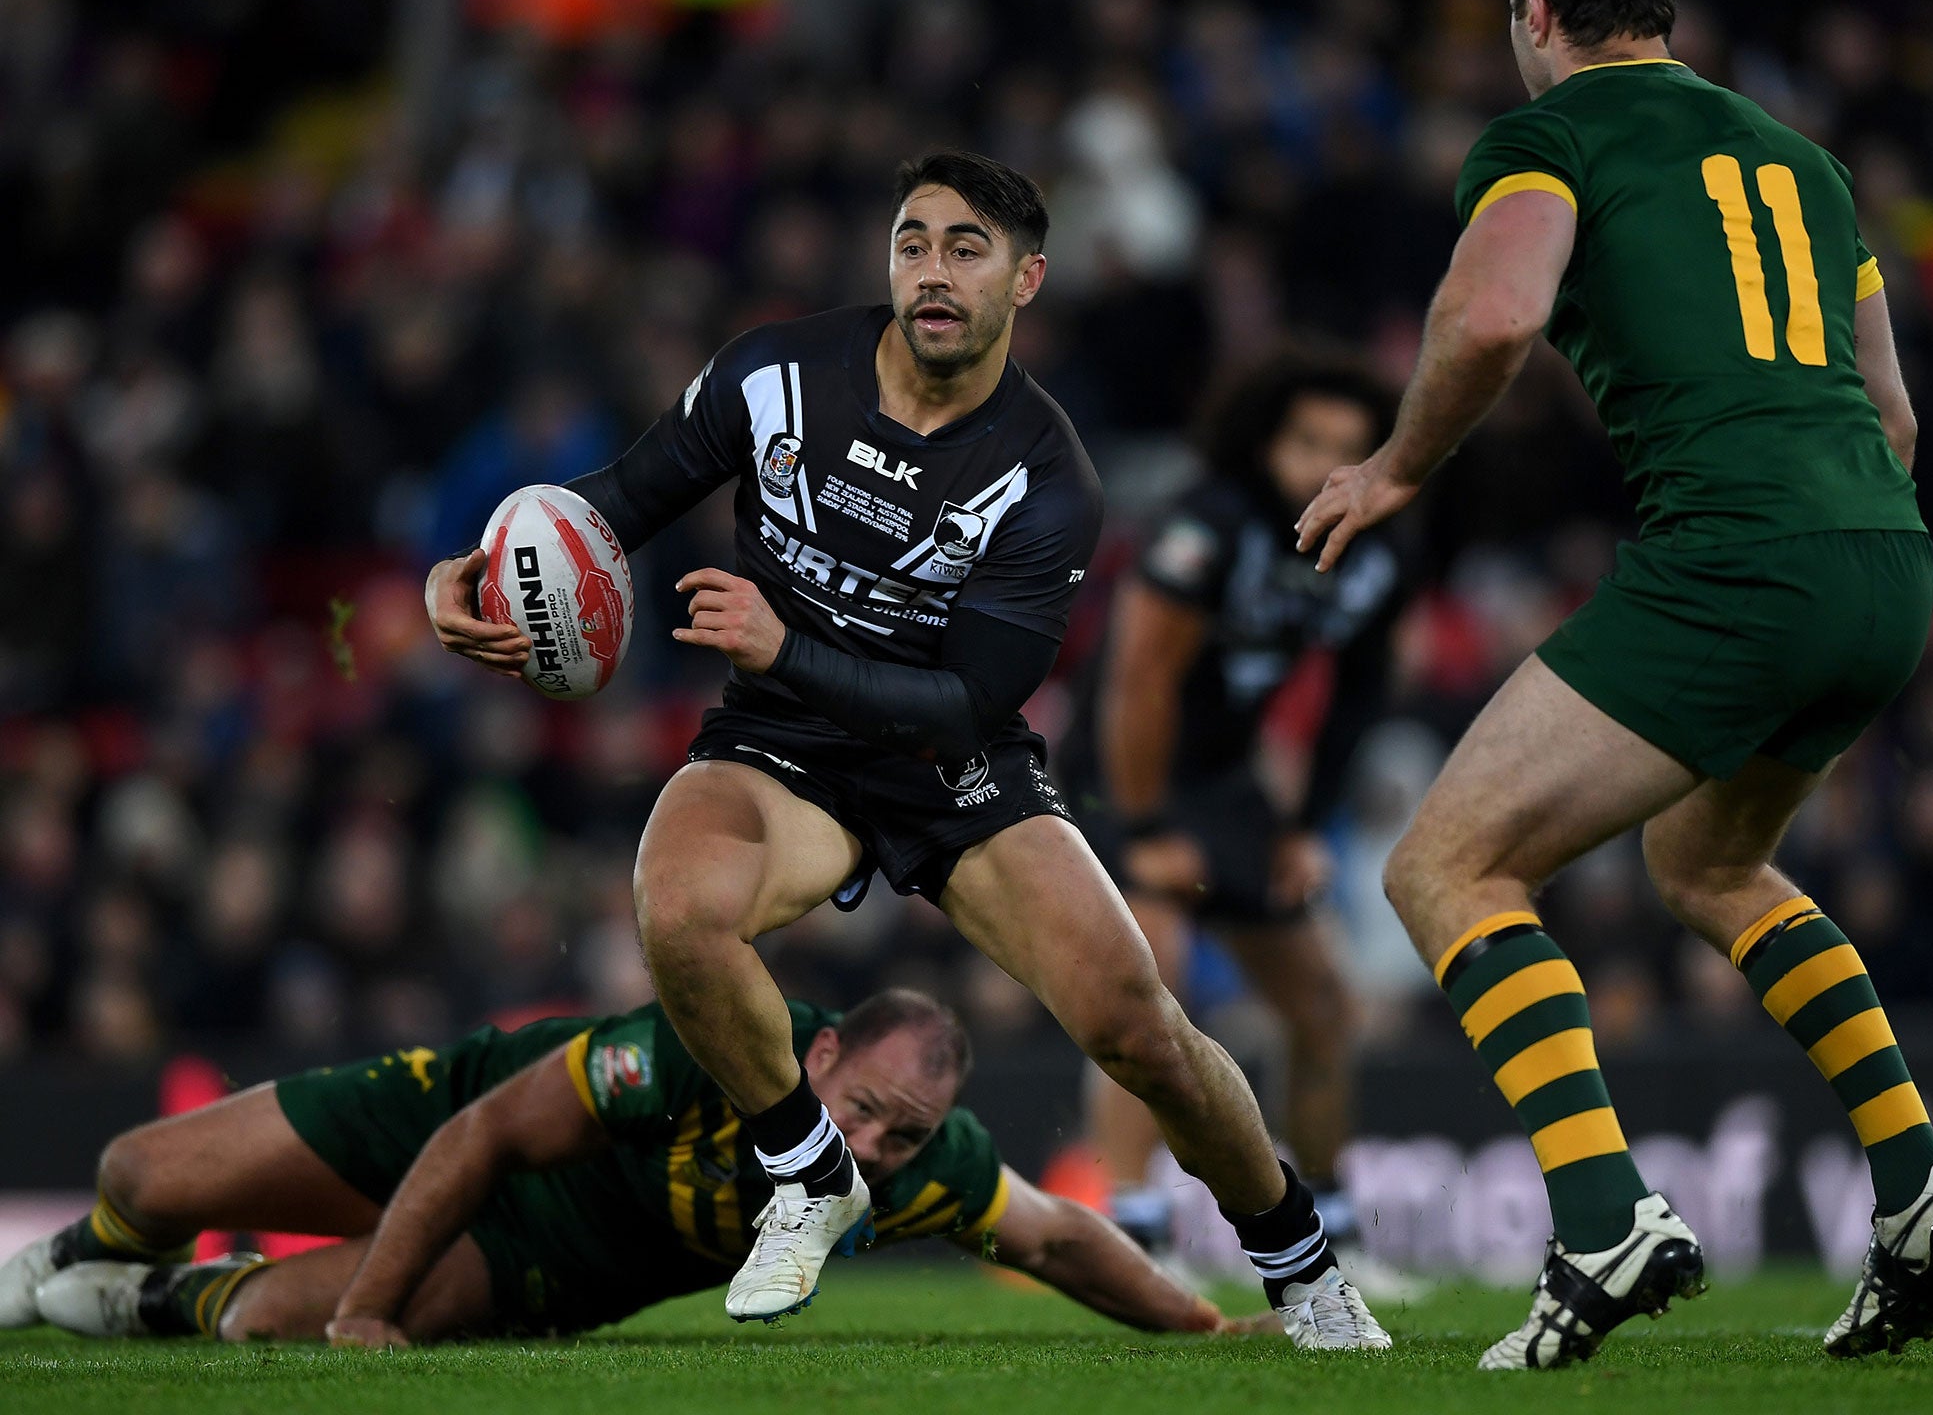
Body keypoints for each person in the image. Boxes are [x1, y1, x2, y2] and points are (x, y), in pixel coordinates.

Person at [421, 151, 1387, 1350]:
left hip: (948, 765)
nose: (932, 272)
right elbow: (615, 499)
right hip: (779, 750)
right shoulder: (773, 373)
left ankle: (1303, 1275)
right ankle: (809, 1172)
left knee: (1137, 1025)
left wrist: (782, 649)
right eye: (913, 242)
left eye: (966, 249)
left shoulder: (1046, 476)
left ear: (1025, 279)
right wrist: (472, 573)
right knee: (674, 909)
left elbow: (964, 701)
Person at [1295, 0, 1933, 1371]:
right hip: (1882, 558)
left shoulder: (1551, 135)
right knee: (1708, 859)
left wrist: (1400, 465)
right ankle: (1920, 1182)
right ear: (1664, 11)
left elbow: (1490, 317)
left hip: (1738, 559)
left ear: (1536, 15)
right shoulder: (1804, 163)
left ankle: (1606, 1215)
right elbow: (1894, 411)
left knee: (1445, 865)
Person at [5, 989, 1272, 1343]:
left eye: (901, 1135)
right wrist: (371, 1316)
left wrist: (1203, 1326)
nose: (873, 1148)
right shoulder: (698, 1051)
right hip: (453, 1115)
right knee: (144, 1173)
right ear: (815, 1052)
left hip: (555, 1257)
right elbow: (485, 1139)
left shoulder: (927, 1164)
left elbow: (1054, 1236)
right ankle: (87, 1249)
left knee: (270, 1321)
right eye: (866, 1111)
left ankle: (154, 1301)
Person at [1063, 353, 1410, 1249]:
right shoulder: (1209, 523)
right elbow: (1136, 684)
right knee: (1151, 982)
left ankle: (1334, 1227)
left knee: (1325, 1003)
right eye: (1306, 441)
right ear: (1264, 439)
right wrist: (1143, 828)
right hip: (1118, 767)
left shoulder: (1379, 550)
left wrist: (1303, 826)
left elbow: (1359, 696)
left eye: (1348, 448)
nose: (1323, 465)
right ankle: (1137, 1233)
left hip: (1228, 780)